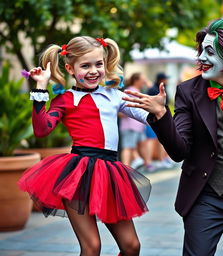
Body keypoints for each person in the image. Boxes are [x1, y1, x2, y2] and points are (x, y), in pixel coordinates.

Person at [123, 18, 223, 256]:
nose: (201, 59)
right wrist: (161, 114)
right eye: (200, 51)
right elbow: (179, 151)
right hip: (208, 196)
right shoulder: (187, 92)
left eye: (209, 52)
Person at [18, 36, 151, 256]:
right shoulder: (65, 99)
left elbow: (148, 117)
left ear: (105, 63)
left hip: (110, 175)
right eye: (85, 66)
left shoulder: (115, 95)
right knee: (91, 247)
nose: (93, 71)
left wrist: (162, 112)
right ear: (70, 68)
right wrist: (41, 86)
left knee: (132, 246)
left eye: (98, 64)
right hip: (77, 177)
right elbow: (42, 130)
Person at [119, 72, 156, 172]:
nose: (144, 82)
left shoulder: (137, 91)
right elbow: (122, 110)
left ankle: (147, 163)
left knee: (142, 144)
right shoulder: (130, 91)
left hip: (138, 126)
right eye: (142, 80)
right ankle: (125, 169)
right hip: (130, 126)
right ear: (136, 80)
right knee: (128, 147)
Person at [146, 72, 175, 169]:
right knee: (152, 140)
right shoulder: (154, 89)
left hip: (161, 118)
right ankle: (150, 162)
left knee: (162, 140)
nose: (167, 80)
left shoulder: (162, 88)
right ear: (161, 79)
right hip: (153, 119)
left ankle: (162, 159)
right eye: (165, 79)